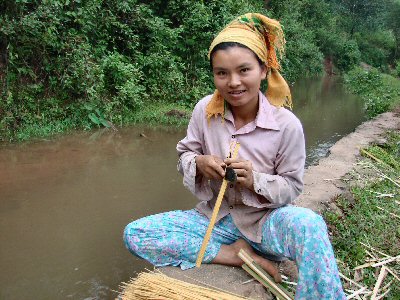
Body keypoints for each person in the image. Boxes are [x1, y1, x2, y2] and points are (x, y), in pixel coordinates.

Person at [124, 13, 346, 299]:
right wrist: (200, 163)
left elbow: (291, 188)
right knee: (136, 233)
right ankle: (234, 255)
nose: (233, 82)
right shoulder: (204, 110)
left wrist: (255, 180)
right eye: (222, 73)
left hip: (265, 224)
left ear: (263, 70)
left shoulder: (286, 125)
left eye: (244, 70)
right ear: (214, 75)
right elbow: (184, 156)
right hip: (213, 219)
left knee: (309, 225)